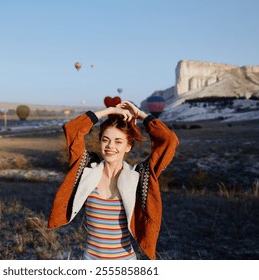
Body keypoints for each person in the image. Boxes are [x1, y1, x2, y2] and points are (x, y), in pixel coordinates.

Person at [47, 101, 179, 260]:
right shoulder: (86, 169)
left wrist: (140, 113)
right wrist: (108, 111)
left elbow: (169, 140)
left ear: (128, 146)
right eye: (105, 139)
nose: (110, 146)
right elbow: (72, 129)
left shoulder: (139, 177)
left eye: (118, 141)